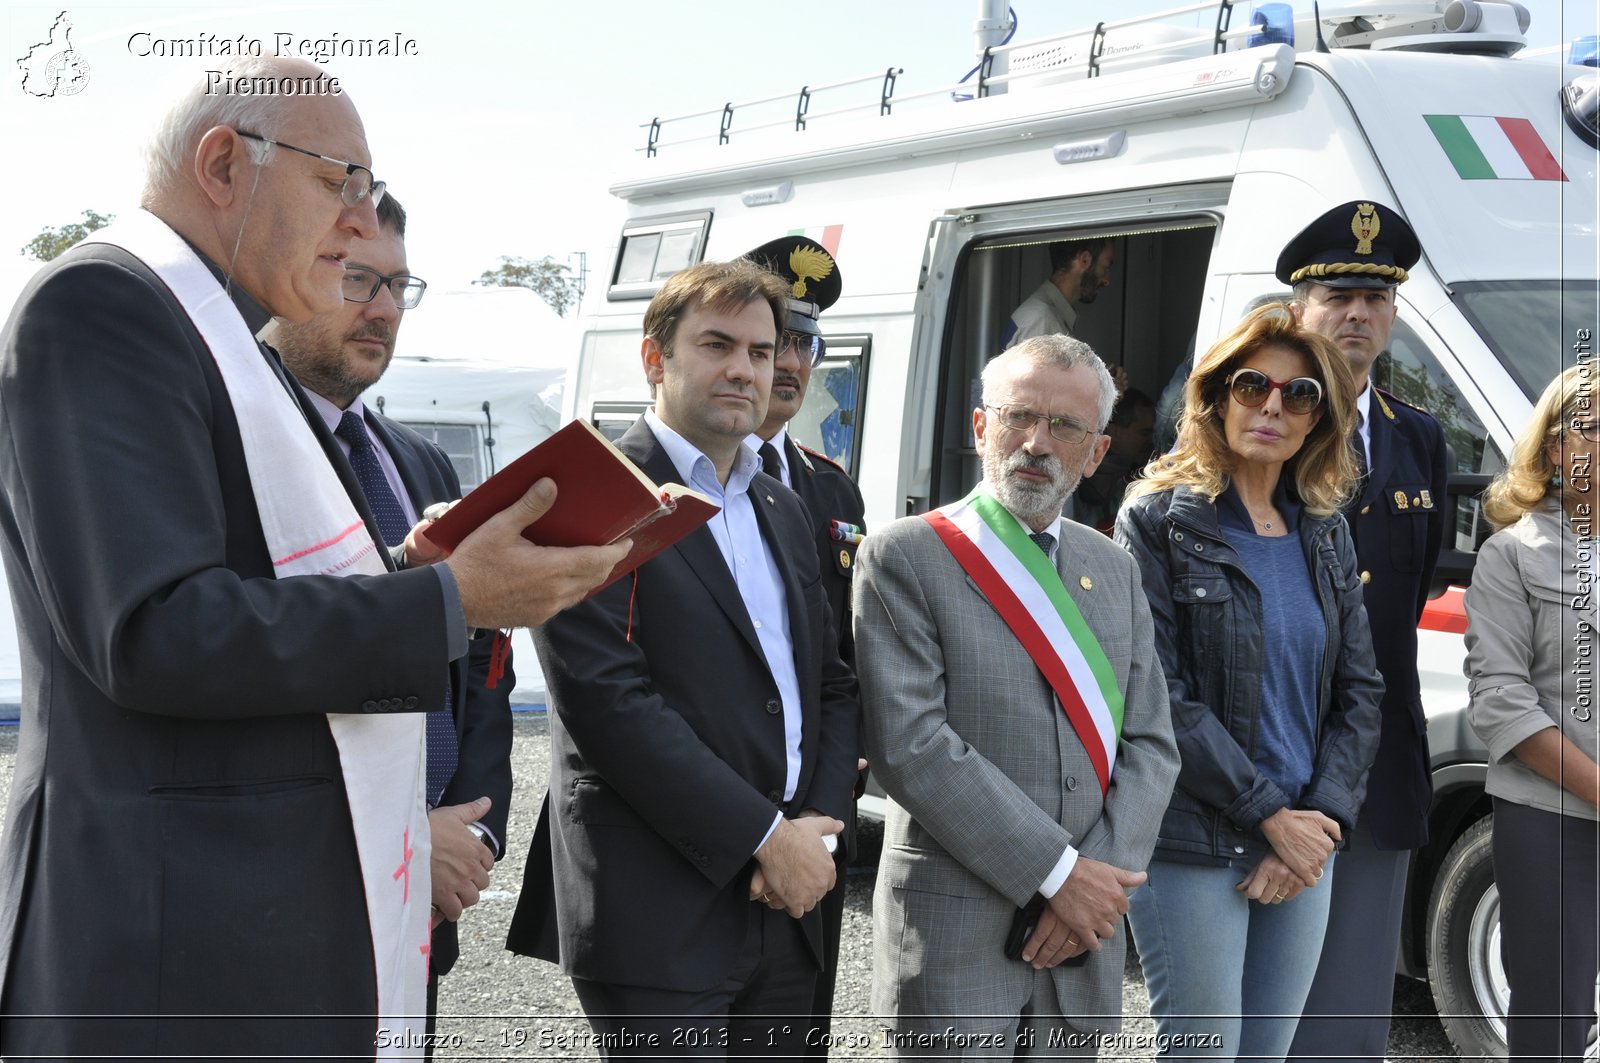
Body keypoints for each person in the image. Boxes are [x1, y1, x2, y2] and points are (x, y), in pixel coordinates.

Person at [0, 56, 625, 1059]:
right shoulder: (104, 310)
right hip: (173, 951)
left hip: (245, 925)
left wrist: (406, 568)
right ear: (220, 165)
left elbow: (258, 588)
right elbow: (157, 631)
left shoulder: (211, 333)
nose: (357, 216)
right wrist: (447, 598)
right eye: (343, 182)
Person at [504, 258, 861, 1057]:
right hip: (661, 908)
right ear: (654, 358)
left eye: (762, 352)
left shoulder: (782, 502)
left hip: (788, 901)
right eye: (717, 344)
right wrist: (768, 836)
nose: (745, 369)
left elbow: (831, 683)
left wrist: (816, 834)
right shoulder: (590, 495)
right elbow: (608, 703)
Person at [855, 334, 1179, 1056]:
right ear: (980, 427)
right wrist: (1060, 874)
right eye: (1018, 416)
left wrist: (1096, 883)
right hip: (955, 945)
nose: (1036, 442)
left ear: (1095, 454)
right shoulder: (904, 555)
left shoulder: (1113, 568)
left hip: (1079, 945)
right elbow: (912, 746)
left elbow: (1153, 742)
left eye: (1065, 426)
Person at [266, 191, 513, 1055]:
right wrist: (407, 831)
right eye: (358, 278)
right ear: (283, 277)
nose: (383, 308)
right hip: (297, 907)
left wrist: (474, 827)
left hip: (430, 897)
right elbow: (258, 665)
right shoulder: (248, 449)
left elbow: (482, 667)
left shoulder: (418, 459)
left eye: (401, 285)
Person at [1114, 304, 1383, 1062]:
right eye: (1252, 384)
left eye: (1299, 394)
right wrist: (1270, 816)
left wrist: (1318, 819)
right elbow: (1159, 693)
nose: (1272, 405)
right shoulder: (1159, 520)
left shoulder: (1326, 529)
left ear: (1319, 419)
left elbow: (1361, 694)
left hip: (1303, 840)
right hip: (1193, 839)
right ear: (1215, 396)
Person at [1280, 201, 1448, 1063]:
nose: (1358, 313)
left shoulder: (1421, 439)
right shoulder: (1262, 430)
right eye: (1339, 293)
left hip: (1380, 761)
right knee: (1263, 1014)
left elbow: (1403, 601)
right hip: (1277, 765)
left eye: (1376, 299)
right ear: (1299, 310)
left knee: (1349, 1020)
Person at [742, 235, 867, 1054]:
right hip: (719, 823)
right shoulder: (663, 480)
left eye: (803, 342)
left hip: (815, 814)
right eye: (770, 338)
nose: (788, 361)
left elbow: (844, 659)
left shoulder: (830, 483)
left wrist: (828, 805)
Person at [1463, 365, 1600, 1063]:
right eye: (1593, 427)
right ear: (1551, 446)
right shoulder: (1511, 554)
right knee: (1554, 1021)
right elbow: (1502, 705)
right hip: (1555, 821)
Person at [1000, 237, 1115, 350]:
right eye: (1106, 268)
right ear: (1085, 260)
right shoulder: (1042, 321)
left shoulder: (1045, 317)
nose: (1107, 280)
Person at [1074, 387, 1156, 534]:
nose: (1150, 441)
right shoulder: (1081, 476)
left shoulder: (1140, 471)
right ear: (1114, 431)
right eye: (1143, 433)